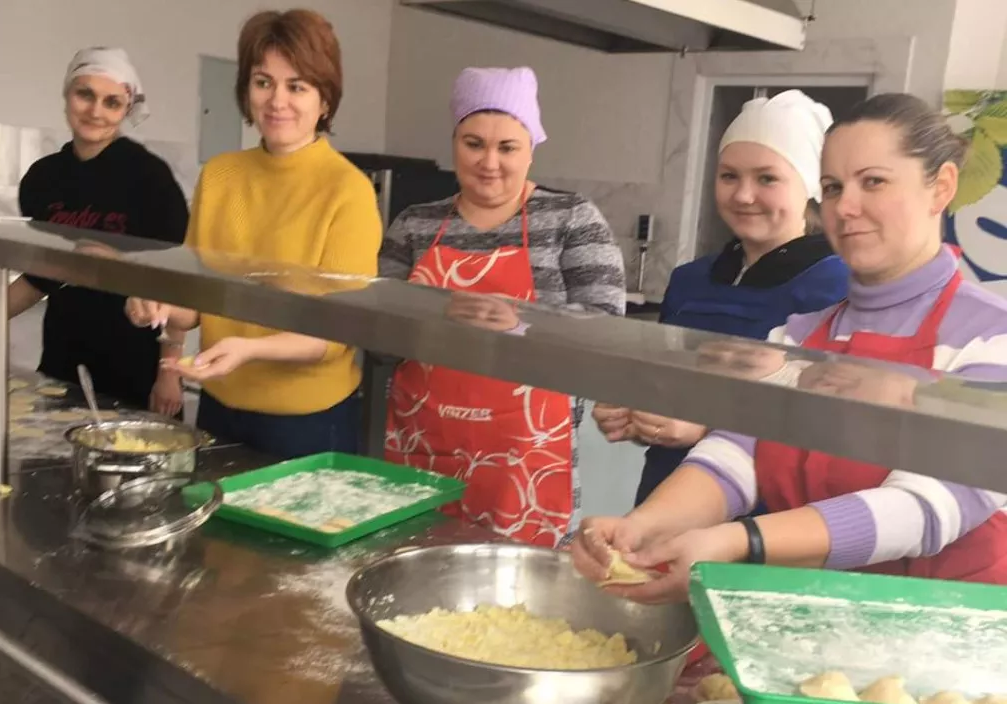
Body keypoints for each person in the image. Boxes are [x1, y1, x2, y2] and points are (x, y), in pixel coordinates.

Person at [574, 92, 1007, 599]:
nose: (845, 207)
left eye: (873, 181)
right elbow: (737, 453)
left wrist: (741, 542)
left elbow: (926, 508)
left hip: (939, 626)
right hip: (806, 612)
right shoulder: (799, 334)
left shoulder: (990, 337)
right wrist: (642, 527)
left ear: (941, 187)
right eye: (833, 187)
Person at [379, 66, 626, 548]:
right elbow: (379, 342)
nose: (489, 162)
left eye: (507, 147)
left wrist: (522, 324)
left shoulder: (570, 218)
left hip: (527, 462)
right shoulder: (414, 224)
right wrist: (431, 318)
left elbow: (606, 333)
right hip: (427, 449)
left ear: (531, 148)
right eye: (474, 143)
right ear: (454, 143)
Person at [126, 9, 382, 457]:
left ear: (325, 100)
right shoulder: (220, 175)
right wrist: (157, 304)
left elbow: (336, 335)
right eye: (264, 82)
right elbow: (197, 297)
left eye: (296, 86)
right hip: (220, 406)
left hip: (309, 420)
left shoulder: (349, 190)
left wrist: (248, 350)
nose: (277, 100)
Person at [592, 91, 849, 506]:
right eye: (729, 176)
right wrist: (634, 415)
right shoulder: (691, 279)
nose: (743, 195)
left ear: (809, 186)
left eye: (767, 178)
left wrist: (704, 431)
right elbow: (666, 388)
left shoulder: (837, 287)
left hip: (767, 514)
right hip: (664, 498)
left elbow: (829, 429)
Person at [10, 47, 189, 415]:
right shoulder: (43, 179)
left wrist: (169, 373)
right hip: (63, 356)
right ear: (67, 94)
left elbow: (174, 283)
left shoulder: (149, 177)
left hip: (135, 363)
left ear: (126, 110)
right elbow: (41, 276)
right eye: (85, 94)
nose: (96, 111)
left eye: (112, 102)